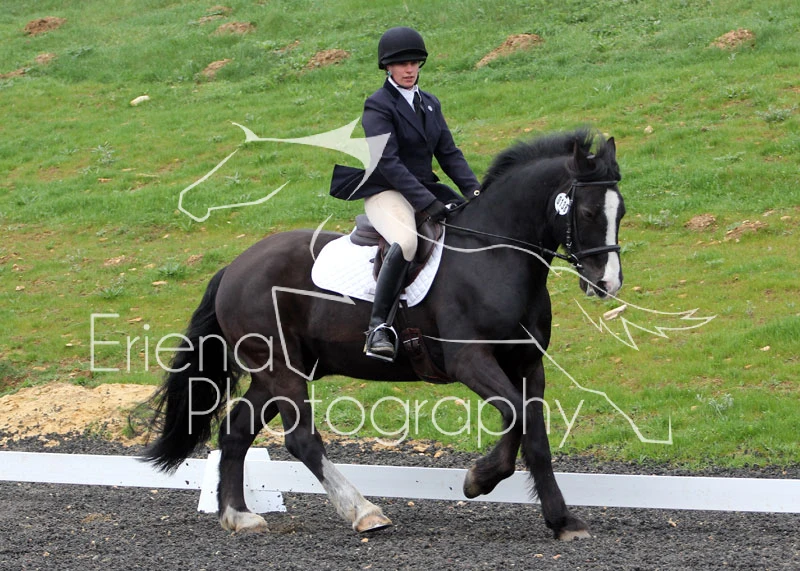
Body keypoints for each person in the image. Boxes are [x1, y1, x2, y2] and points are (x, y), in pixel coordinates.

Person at [330, 26, 480, 362]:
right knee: (407, 241)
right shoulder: (378, 105)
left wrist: (475, 191)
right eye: (402, 64)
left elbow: (449, 153)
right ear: (388, 67)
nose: (409, 70)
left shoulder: (430, 103)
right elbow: (390, 163)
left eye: (414, 63)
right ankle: (379, 327)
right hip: (387, 190)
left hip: (423, 187)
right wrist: (427, 203)